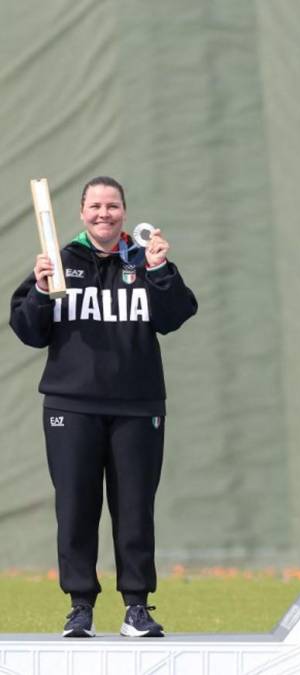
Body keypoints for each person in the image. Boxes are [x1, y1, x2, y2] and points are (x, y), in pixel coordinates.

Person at [10, 176, 197, 638]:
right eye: (95, 206)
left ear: (124, 213)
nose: (104, 214)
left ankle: (136, 607)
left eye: (112, 206)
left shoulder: (144, 258)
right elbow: (27, 330)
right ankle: (80, 607)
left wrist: (160, 270)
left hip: (138, 406)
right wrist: (38, 288)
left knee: (135, 508)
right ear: (81, 213)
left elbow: (176, 315)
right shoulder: (61, 261)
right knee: (76, 506)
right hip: (71, 406)